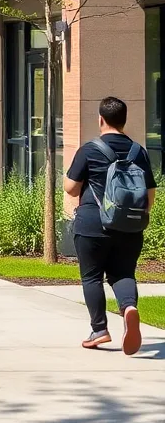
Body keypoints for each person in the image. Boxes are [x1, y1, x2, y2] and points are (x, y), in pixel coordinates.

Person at [64, 95, 155, 355]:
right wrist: (135, 217)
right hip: (130, 225)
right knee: (124, 273)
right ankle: (129, 308)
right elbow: (150, 195)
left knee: (92, 276)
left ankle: (99, 329)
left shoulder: (90, 149)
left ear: (101, 119)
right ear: (124, 120)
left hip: (93, 222)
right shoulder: (139, 151)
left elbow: (71, 189)